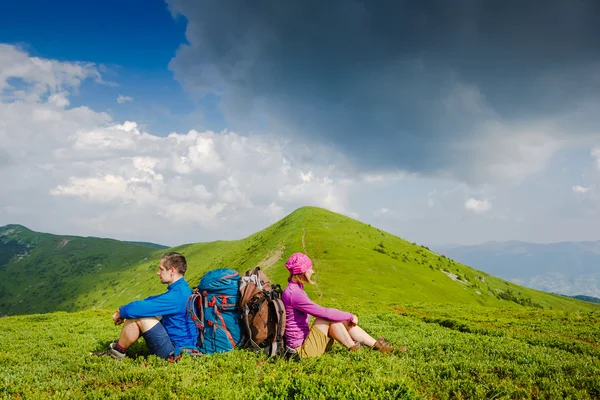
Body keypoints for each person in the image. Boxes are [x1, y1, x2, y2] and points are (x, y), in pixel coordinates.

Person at [282, 252, 405, 358]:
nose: (312, 271)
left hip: (307, 341)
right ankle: (357, 350)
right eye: (310, 268)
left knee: (334, 319)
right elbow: (324, 312)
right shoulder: (294, 294)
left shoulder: (295, 290)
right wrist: (350, 316)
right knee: (327, 318)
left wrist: (345, 318)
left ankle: (378, 346)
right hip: (301, 351)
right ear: (302, 271)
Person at [93, 252, 198, 360]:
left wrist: (121, 312)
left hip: (176, 352)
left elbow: (138, 309)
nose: (158, 272)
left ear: (172, 271)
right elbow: (154, 300)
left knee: (140, 316)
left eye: (161, 269)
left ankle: (116, 353)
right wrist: (126, 311)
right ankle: (117, 350)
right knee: (145, 312)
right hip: (183, 347)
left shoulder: (178, 295)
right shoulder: (183, 290)